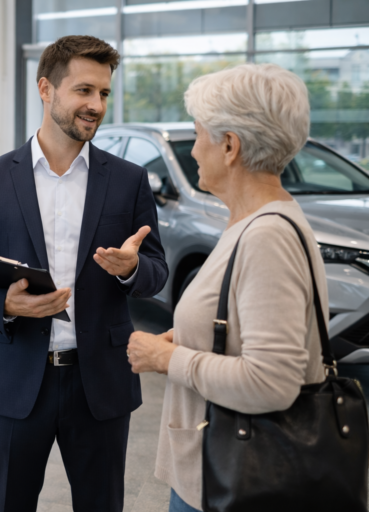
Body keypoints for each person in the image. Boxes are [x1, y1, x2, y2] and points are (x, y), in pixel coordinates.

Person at [0, 35, 168, 511]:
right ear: (46, 89)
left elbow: (156, 271)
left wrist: (131, 271)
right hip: (14, 379)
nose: (96, 105)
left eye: (104, 94)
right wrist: (4, 304)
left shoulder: (128, 180)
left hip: (100, 385)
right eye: (84, 91)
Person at [126, 63, 329, 512]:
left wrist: (168, 358)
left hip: (233, 480)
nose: (195, 150)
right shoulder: (250, 223)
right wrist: (188, 336)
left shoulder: (266, 236)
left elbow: (272, 381)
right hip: (213, 471)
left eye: (199, 136)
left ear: (230, 146)